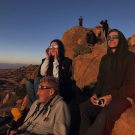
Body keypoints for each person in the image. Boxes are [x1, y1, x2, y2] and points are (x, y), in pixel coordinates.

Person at [79, 29, 135, 135]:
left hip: (122, 97)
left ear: (121, 39)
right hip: (104, 96)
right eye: (109, 38)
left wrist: (111, 96)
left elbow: (132, 85)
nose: (111, 40)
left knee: (105, 114)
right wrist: (95, 93)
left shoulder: (131, 58)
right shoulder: (105, 59)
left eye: (114, 37)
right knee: (84, 108)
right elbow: (100, 80)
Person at [26, 39, 72, 104]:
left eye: (55, 47)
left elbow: (58, 78)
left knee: (37, 79)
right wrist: (47, 58)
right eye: (51, 47)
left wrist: (56, 60)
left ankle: (40, 104)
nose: (52, 49)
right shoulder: (46, 60)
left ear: (60, 48)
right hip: (45, 84)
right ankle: (35, 105)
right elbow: (42, 73)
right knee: (29, 83)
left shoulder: (66, 61)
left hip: (58, 85)